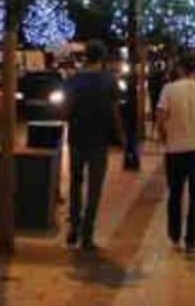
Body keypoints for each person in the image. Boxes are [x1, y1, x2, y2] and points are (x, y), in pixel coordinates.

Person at [63, 40, 124, 250]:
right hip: (99, 139)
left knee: (75, 183)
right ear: (103, 58)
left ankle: (74, 226)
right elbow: (115, 112)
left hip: (77, 138)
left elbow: (66, 109)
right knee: (94, 188)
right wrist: (120, 136)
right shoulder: (109, 80)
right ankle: (87, 234)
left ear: (86, 56)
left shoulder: (74, 80)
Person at [156, 54, 195, 254]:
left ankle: (175, 236)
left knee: (175, 194)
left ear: (179, 69)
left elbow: (160, 118)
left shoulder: (168, 89)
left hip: (175, 150)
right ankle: (192, 240)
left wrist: (164, 138)